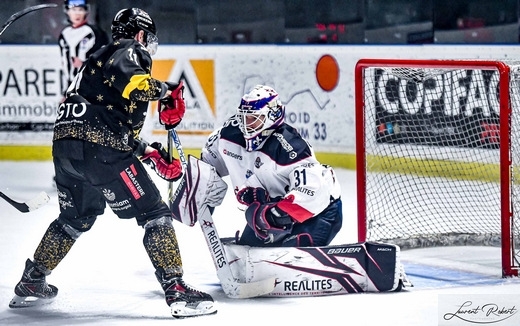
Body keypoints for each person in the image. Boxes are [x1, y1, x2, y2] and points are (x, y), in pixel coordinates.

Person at [9, 8, 216, 318]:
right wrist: (168, 91)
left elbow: (101, 120)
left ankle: (32, 281)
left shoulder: (96, 60)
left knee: (74, 218)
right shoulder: (129, 48)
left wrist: (147, 151)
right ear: (141, 34)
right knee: (155, 212)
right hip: (99, 150)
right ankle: (176, 289)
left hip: (66, 149)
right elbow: (133, 85)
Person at [200, 85, 343, 247]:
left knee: (291, 257)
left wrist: (272, 215)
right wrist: (201, 189)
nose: (246, 125)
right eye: (244, 117)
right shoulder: (229, 135)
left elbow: (313, 193)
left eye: (253, 119)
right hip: (269, 213)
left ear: (272, 116)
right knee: (250, 252)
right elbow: (209, 161)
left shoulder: (291, 147)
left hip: (320, 211)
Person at [58, 0, 108, 98]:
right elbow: (65, 66)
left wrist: (85, 64)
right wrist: (66, 92)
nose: (77, 13)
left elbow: (105, 58)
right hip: (73, 88)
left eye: (80, 9)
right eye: (73, 9)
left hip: (93, 88)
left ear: (86, 11)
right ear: (67, 11)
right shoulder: (64, 34)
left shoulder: (95, 32)